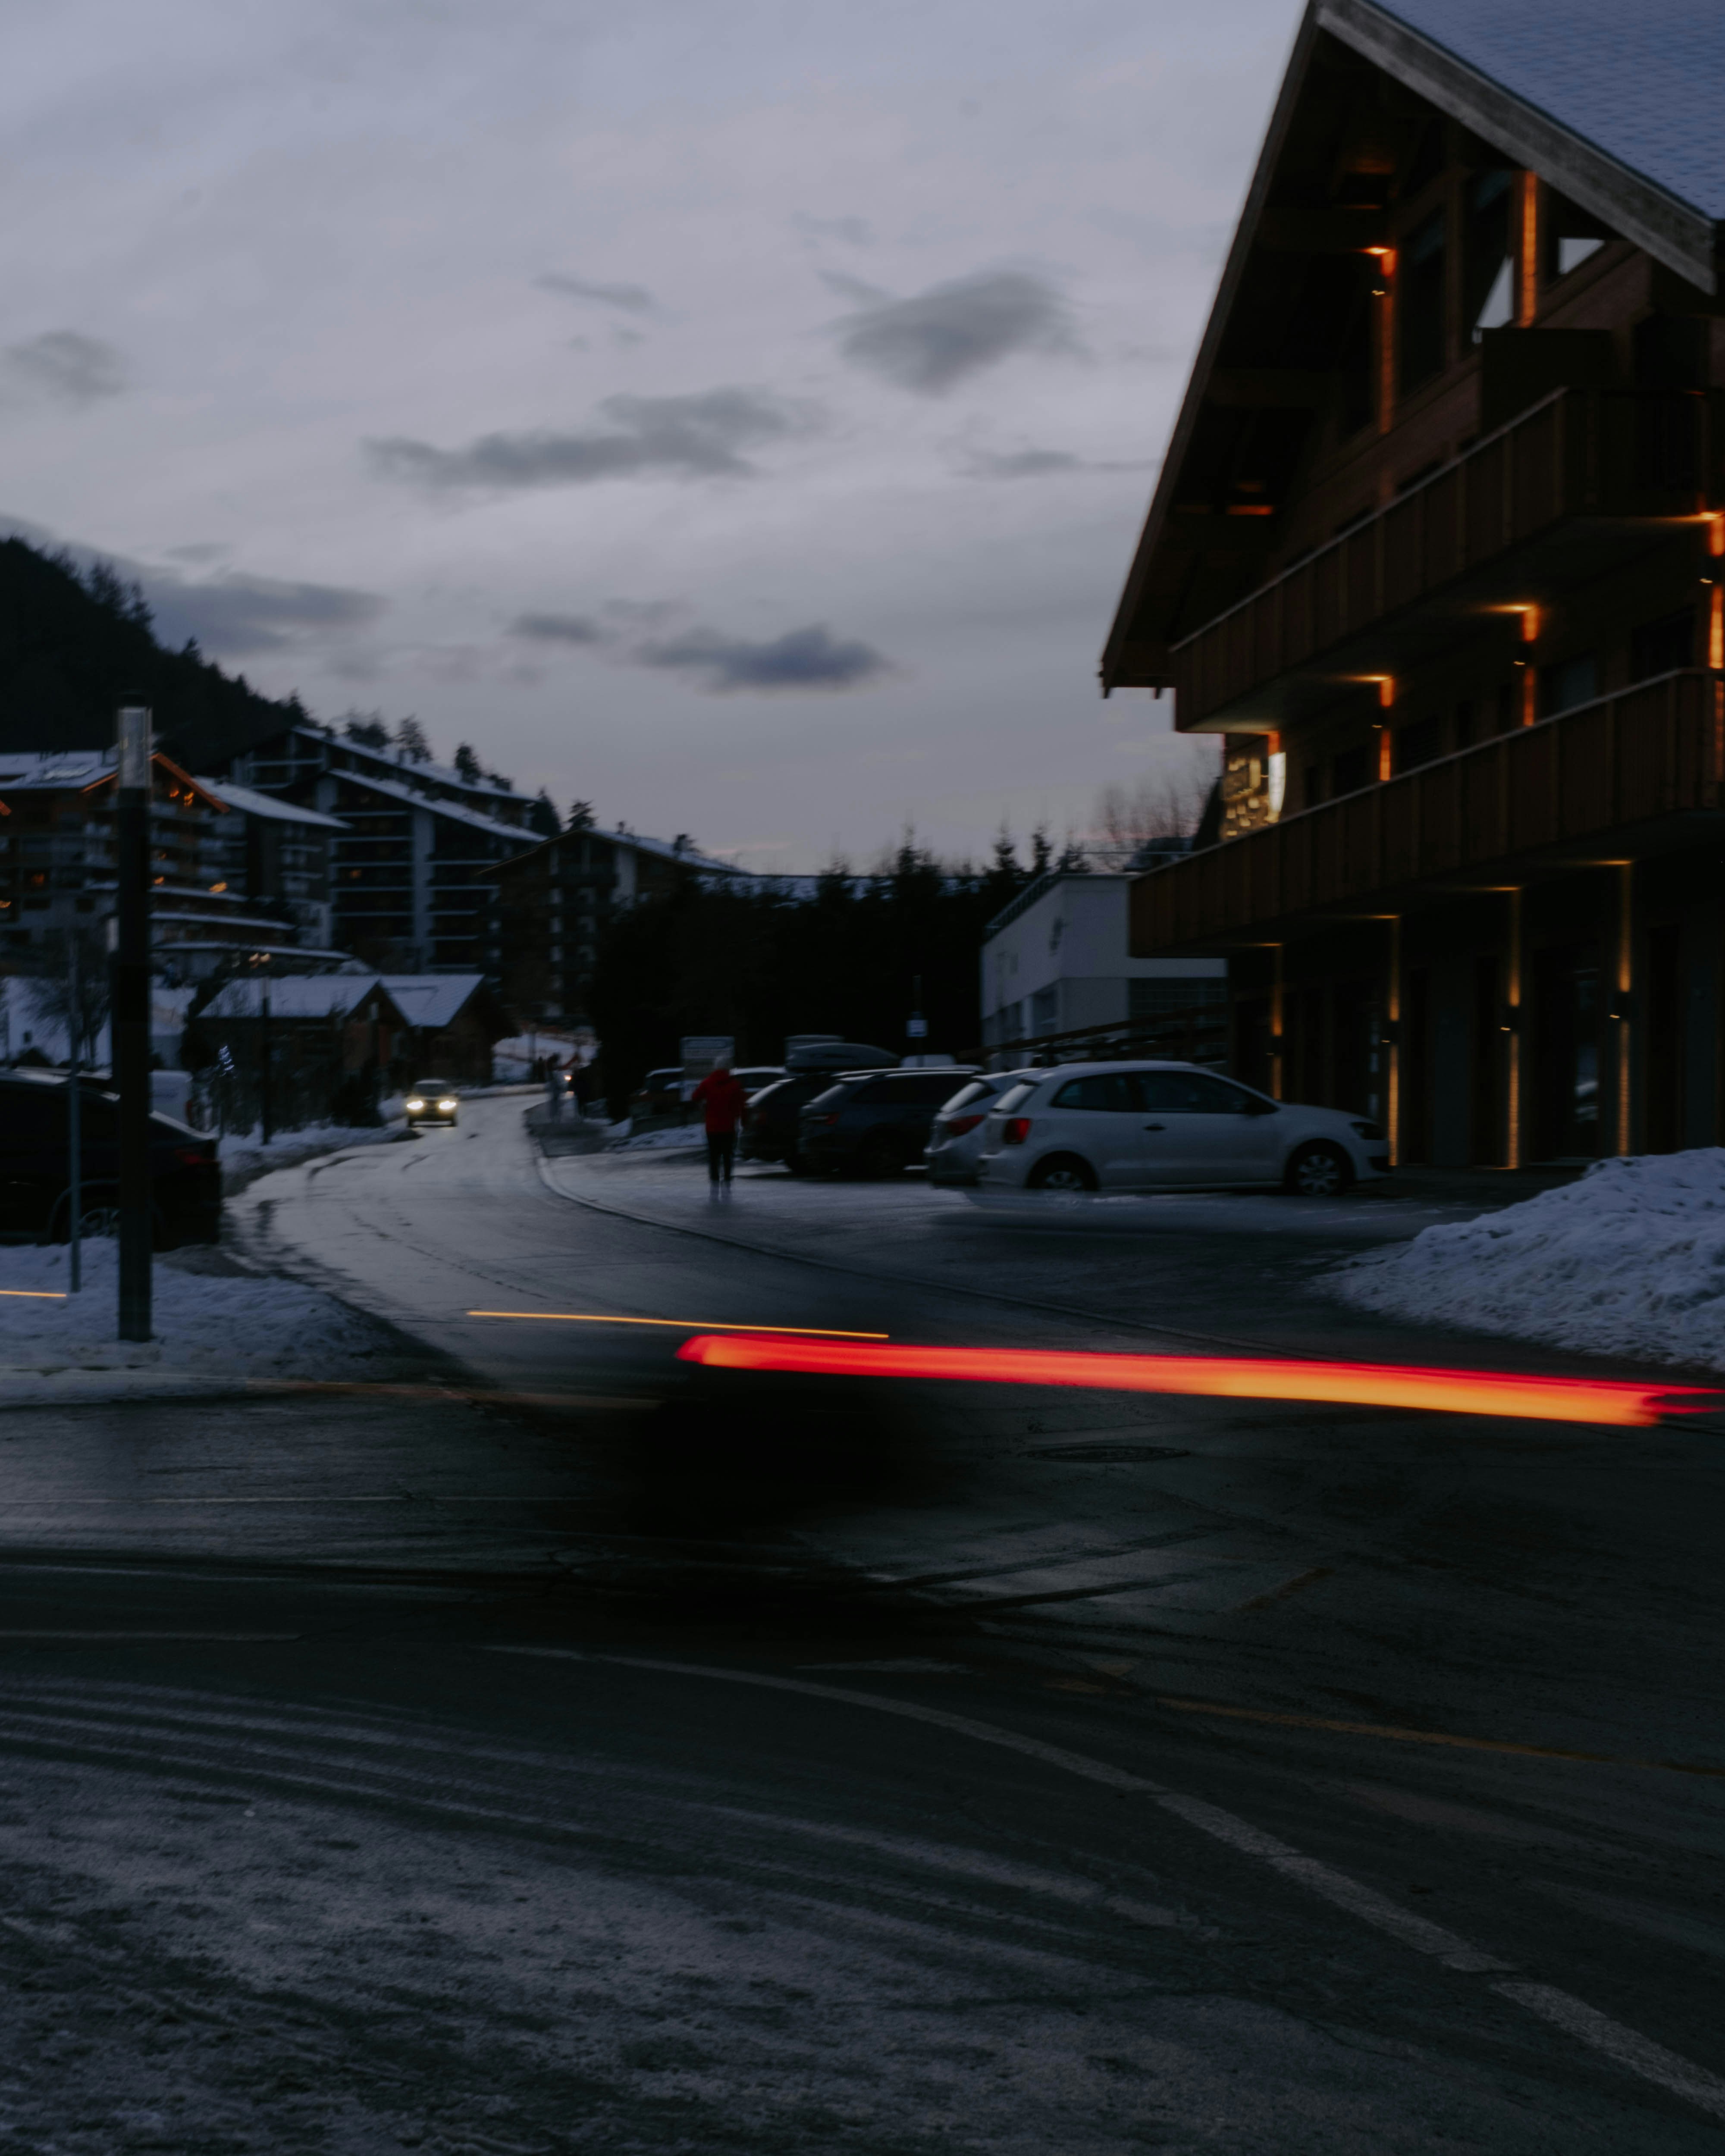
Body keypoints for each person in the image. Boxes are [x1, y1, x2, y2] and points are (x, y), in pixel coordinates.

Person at [690, 1056, 748, 1185]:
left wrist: (703, 1105)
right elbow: (742, 1104)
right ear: (728, 1069)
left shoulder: (707, 1083)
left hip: (712, 1127)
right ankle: (727, 1177)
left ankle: (714, 1178)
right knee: (728, 1154)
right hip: (729, 1126)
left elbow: (695, 1097)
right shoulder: (735, 1085)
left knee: (713, 1155)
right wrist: (744, 1121)